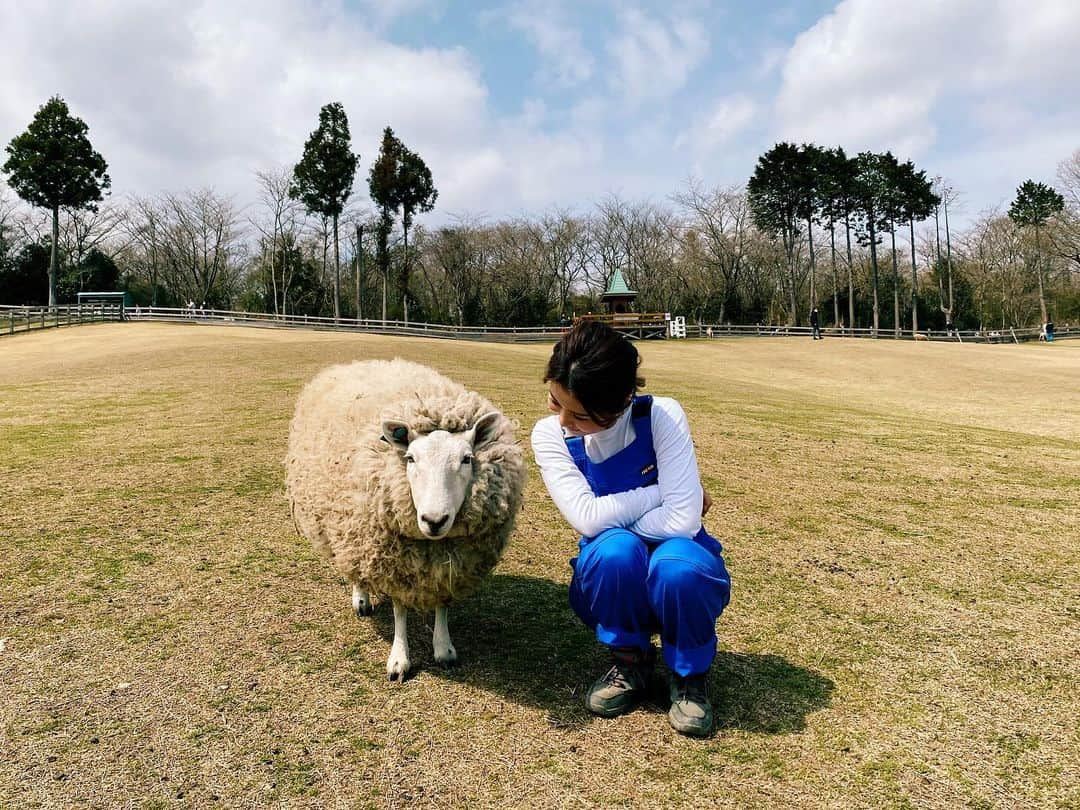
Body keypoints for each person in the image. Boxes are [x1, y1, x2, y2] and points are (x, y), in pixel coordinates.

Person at [531, 320, 731, 737]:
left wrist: (622, 515)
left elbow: (683, 522)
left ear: (621, 401)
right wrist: (663, 491)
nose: (565, 421)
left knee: (678, 565)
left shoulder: (661, 415)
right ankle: (630, 662)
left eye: (581, 415)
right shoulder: (549, 437)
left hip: (677, 557)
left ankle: (689, 675)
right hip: (612, 571)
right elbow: (586, 519)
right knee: (615, 552)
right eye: (555, 402)